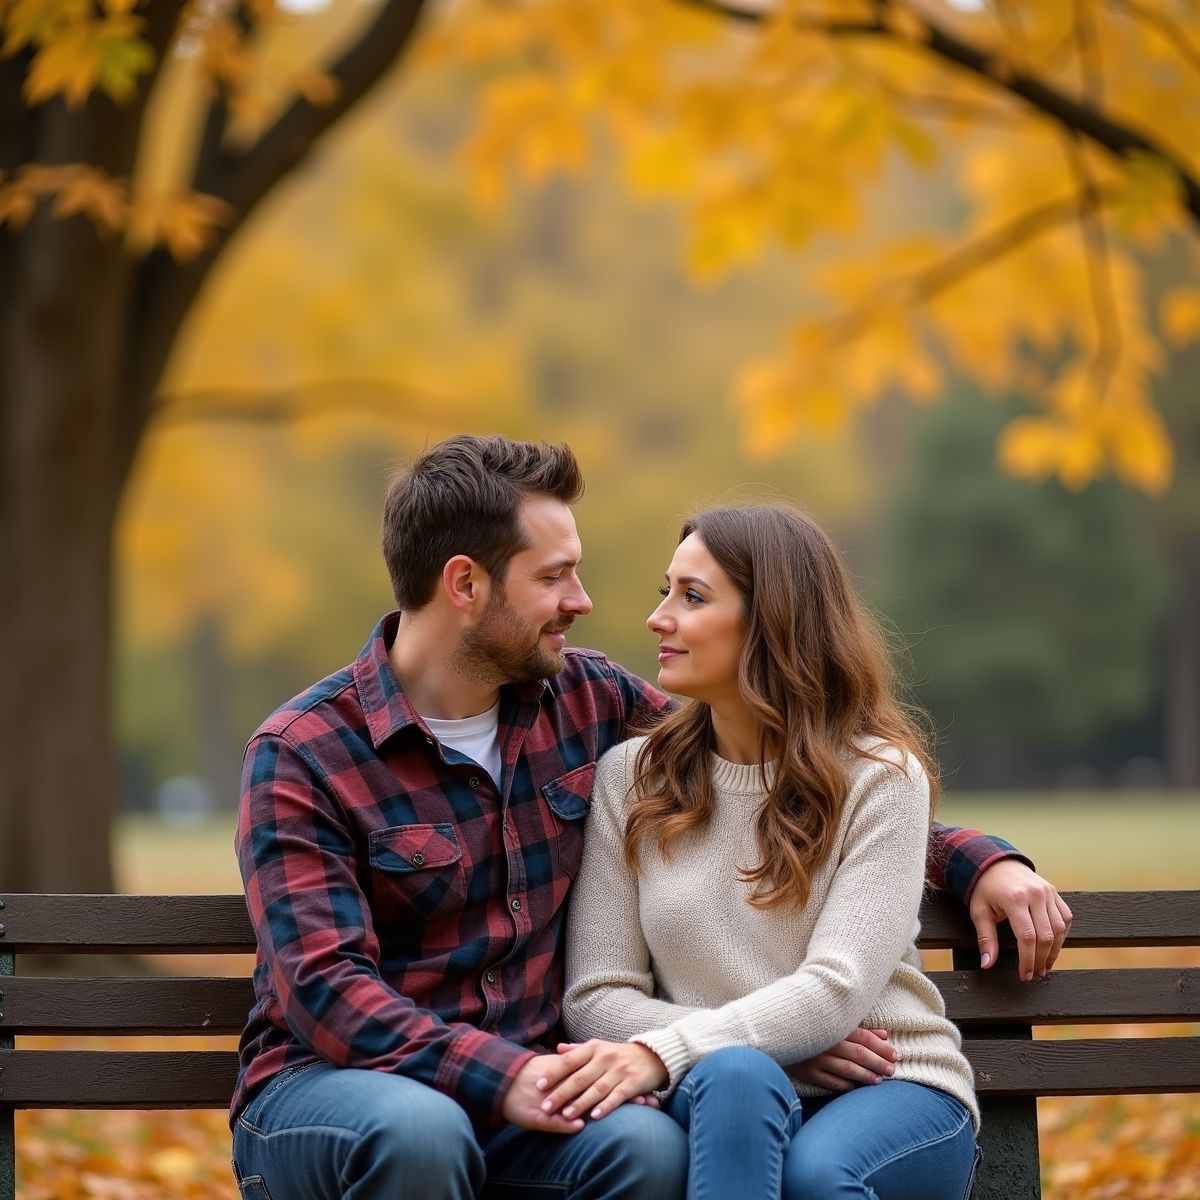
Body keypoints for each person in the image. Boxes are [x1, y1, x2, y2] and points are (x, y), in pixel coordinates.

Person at [230, 436, 1070, 1200]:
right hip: (338, 1090)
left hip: (549, 1085)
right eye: (553, 576)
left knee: (648, 1150)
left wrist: (973, 859)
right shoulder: (306, 753)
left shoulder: (587, 702)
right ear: (465, 584)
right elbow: (325, 989)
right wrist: (502, 1076)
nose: (584, 601)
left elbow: (789, 776)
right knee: (424, 1130)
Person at [543, 505, 996, 1199]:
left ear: (772, 621)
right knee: (737, 1073)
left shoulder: (879, 778)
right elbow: (599, 995)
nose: (658, 618)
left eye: (692, 597)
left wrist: (665, 1049)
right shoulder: (632, 779)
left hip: (890, 1081)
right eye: (665, 592)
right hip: (721, 1093)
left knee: (818, 1175)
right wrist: (780, 1051)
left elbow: (837, 988)